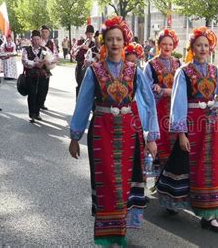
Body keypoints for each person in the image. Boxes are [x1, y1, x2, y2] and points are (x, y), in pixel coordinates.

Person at [68, 16, 159, 246]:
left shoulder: (134, 70)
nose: (115, 43)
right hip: (102, 131)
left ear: (125, 41)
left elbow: (148, 103)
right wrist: (75, 136)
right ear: (104, 42)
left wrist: (152, 136)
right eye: (110, 39)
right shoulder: (94, 71)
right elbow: (83, 103)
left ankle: (120, 231)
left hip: (129, 132)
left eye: (119, 39)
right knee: (107, 182)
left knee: (125, 182)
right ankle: (108, 233)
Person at [156, 26, 218, 234]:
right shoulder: (184, 72)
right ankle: (174, 202)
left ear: (211, 48)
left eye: (206, 45)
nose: (203, 49)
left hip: (211, 126)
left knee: (211, 167)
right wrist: (181, 133)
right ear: (192, 48)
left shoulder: (217, 71)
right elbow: (178, 103)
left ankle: (210, 215)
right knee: (185, 164)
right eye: (199, 45)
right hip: (191, 124)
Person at [143, 29, 181, 175]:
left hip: (175, 109)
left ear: (174, 46)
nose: (167, 47)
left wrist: (166, 91)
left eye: (170, 44)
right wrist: (157, 89)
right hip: (158, 109)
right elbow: (146, 91)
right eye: (164, 44)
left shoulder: (178, 63)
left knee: (175, 140)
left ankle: (172, 174)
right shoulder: (150, 65)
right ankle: (157, 175)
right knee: (161, 140)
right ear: (158, 45)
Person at [21, 30, 51, 122]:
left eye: (38, 39)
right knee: (32, 94)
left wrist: (46, 62)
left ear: (40, 40)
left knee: (41, 94)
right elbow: (24, 61)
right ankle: (32, 114)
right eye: (34, 39)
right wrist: (35, 64)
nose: (36, 41)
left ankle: (37, 113)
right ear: (31, 40)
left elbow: (52, 60)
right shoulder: (26, 49)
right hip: (30, 75)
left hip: (41, 76)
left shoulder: (44, 50)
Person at [40, 25, 59, 110]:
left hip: (47, 68)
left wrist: (52, 61)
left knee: (45, 87)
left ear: (49, 33)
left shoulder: (51, 43)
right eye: (43, 32)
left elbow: (56, 54)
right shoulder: (37, 41)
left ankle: (42, 102)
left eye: (46, 32)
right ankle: (37, 104)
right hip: (38, 67)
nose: (44, 33)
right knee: (37, 86)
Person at [73, 25, 95, 97]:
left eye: (91, 34)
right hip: (80, 65)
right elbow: (73, 51)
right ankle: (78, 101)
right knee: (79, 84)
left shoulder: (94, 44)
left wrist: (88, 48)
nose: (90, 36)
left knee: (88, 85)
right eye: (88, 34)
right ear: (85, 34)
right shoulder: (80, 41)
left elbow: (95, 54)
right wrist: (80, 47)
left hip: (89, 67)